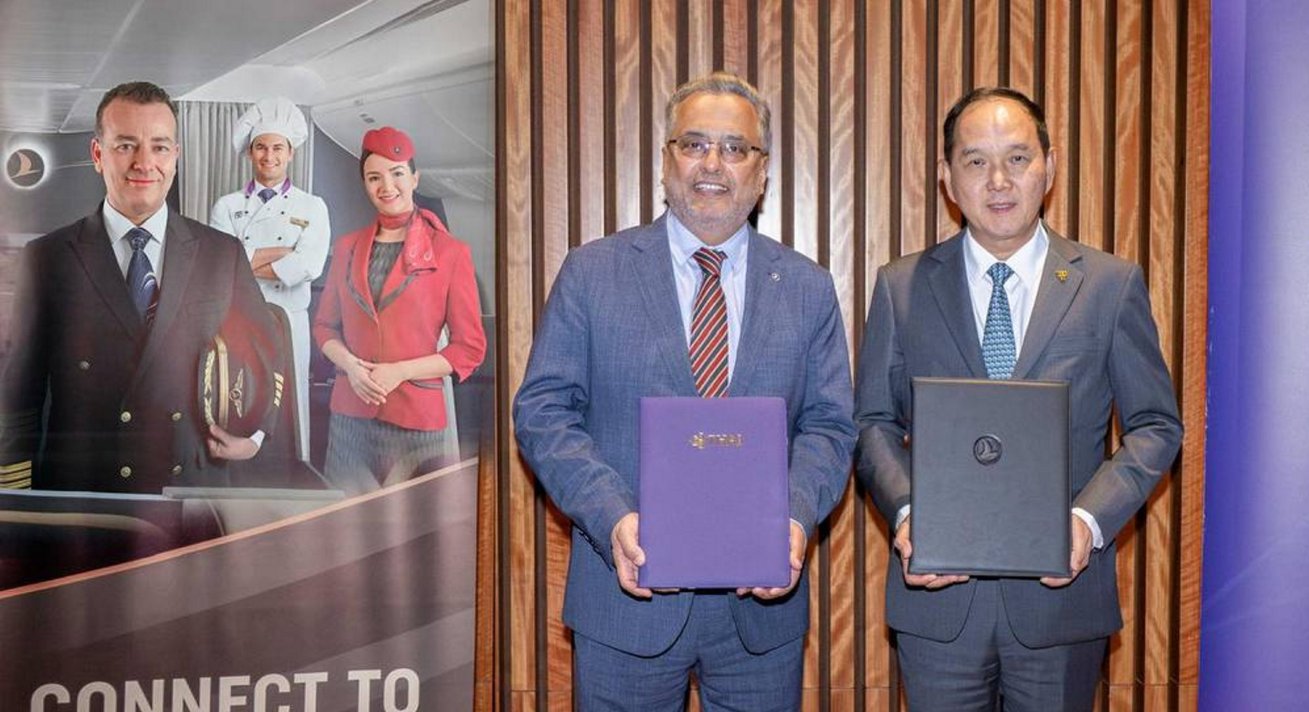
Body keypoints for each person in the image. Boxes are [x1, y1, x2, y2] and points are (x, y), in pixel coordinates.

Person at [513, 72, 855, 711]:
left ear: (762, 171)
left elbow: (831, 426)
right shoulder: (593, 272)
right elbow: (543, 409)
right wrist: (612, 517)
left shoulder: (807, 287)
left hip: (762, 613)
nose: (712, 164)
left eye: (735, 148)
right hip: (625, 598)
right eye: (694, 144)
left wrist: (794, 514)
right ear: (666, 160)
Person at [854, 87, 1184, 711]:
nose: (999, 180)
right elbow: (873, 422)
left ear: (1050, 167)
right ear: (948, 178)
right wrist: (905, 516)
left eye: (1018, 158)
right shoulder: (900, 288)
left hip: (1062, 602)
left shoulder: (1110, 286)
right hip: (939, 603)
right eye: (976, 161)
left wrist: (1088, 523)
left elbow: (1154, 426)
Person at [0, 81, 280, 493]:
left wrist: (255, 437)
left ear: (176, 157)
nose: (144, 163)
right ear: (98, 155)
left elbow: (266, 351)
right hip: (83, 495)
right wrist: (17, 498)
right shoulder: (47, 258)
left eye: (160, 147)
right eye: (126, 145)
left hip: (190, 486)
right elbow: (18, 392)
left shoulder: (222, 255)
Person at [311, 126, 486, 494]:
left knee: (417, 537)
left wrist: (399, 371)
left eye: (396, 173)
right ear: (365, 184)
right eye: (374, 177)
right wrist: (352, 368)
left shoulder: (451, 253)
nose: (386, 186)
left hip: (417, 420)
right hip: (350, 418)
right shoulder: (346, 248)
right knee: (345, 535)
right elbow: (325, 327)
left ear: (414, 177)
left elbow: (469, 348)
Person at [209, 97, 331, 461]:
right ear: (250, 153)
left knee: (290, 402)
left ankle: (294, 467)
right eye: (261, 147)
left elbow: (309, 266)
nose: (269, 156)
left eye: (278, 147)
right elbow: (220, 266)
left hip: (289, 321)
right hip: (238, 319)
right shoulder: (226, 206)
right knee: (240, 395)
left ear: (290, 153)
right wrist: (279, 254)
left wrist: (244, 260)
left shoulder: (312, 206)